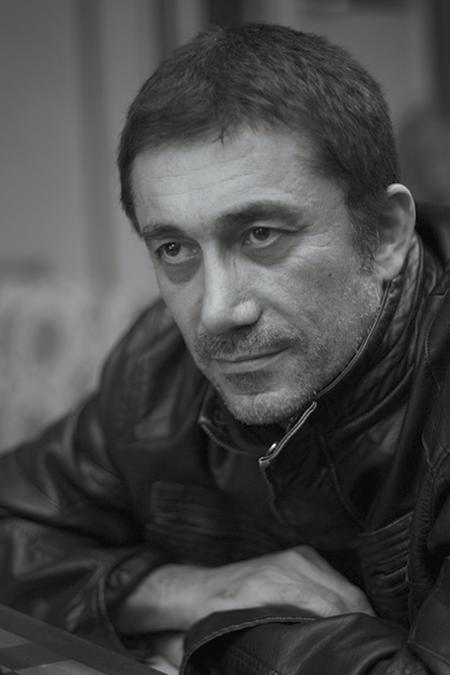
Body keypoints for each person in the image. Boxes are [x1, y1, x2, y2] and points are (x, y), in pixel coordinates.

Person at [0, 23, 449, 675]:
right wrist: (190, 591)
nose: (215, 311)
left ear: (385, 234)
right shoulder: (159, 364)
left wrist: (207, 642)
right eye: (174, 248)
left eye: (261, 234)